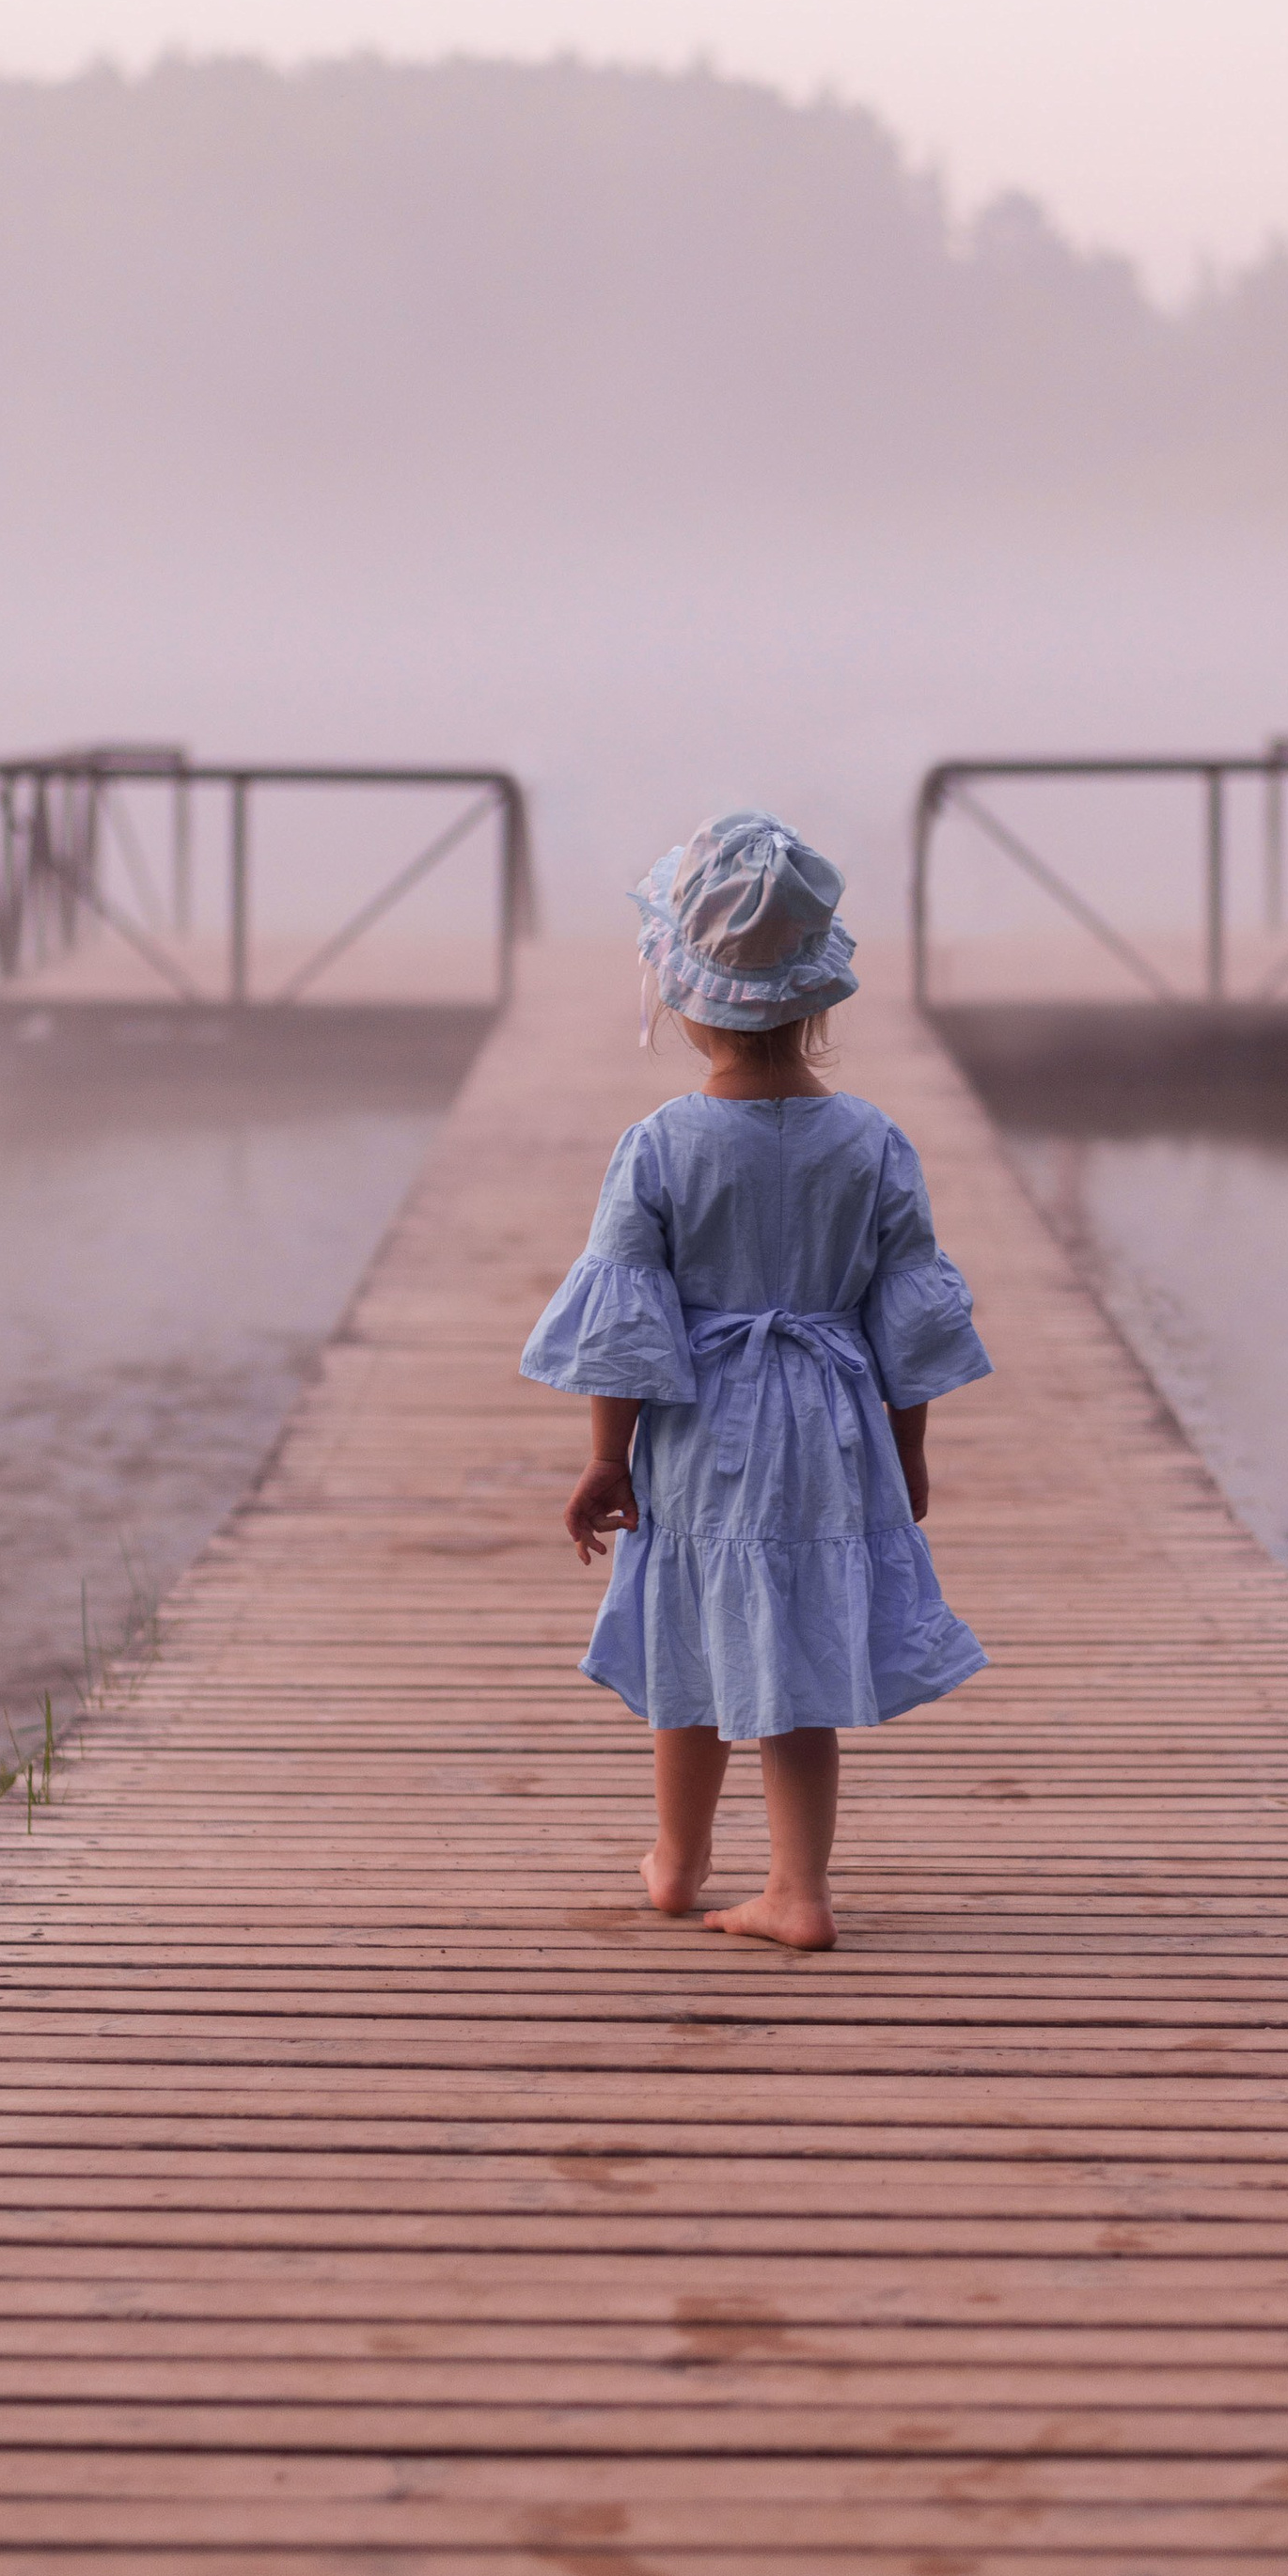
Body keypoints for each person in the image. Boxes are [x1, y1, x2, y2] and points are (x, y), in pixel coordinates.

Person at [520, 809, 991, 1948]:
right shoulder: (871, 1139)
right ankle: (797, 1883)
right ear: (816, 1001)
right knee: (800, 1646)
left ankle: (677, 1864)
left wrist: (605, 1457)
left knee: (689, 1630)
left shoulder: (662, 1143)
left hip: (701, 1420)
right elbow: (905, 1306)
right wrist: (909, 1447)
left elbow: (627, 1316)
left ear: (688, 1000)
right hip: (829, 1418)